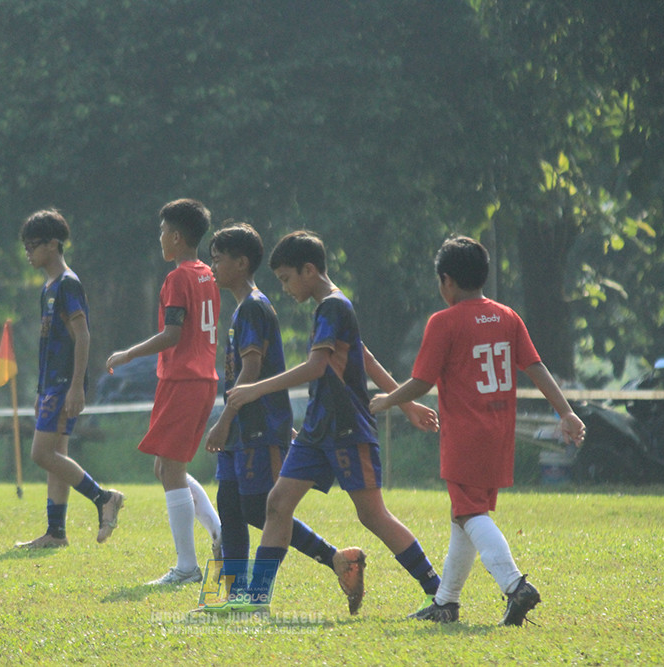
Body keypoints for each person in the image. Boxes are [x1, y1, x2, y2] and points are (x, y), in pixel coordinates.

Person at [370, 235, 587, 626]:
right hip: (499, 432)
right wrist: (566, 412)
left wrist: (388, 400)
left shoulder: (444, 322)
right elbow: (535, 366)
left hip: (465, 436)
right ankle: (446, 603)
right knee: (466, 516)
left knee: (469, 513)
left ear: (447, 280)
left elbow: (421, 382)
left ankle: (515, 585)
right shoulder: (507, 316)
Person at [227, 230, 442, 614]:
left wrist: (256, 389)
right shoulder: (329, 308)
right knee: (277, 503)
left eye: (287, 279)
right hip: (316, 429)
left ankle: (438, 593)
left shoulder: (333, 307)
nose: (285, 288)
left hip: (346, 428)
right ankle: (257, 600)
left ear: (309, 270)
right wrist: (407, 404)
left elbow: (316, 366)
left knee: (372, 515)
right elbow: (366, 357)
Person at [206, 222, 382, 612]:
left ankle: (334, 559)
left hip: (256, 427)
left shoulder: (254, 306)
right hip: (241, 427)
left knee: (261, 508)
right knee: (230, 506)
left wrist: (224, 419)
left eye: (217, 259)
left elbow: (252, 370)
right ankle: (234, 595)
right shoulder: (242, 308)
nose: (212, 266)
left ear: (241, 262)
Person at [106, 198, 222, 585]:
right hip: (203, 379)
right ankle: (219, 533)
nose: (159, 238)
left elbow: (172, 334)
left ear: (175, 236)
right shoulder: (208, 274)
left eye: (162, 231)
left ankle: (187, 567)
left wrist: (129, 354)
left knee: (171, 470)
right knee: (166, 468)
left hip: (183, 380)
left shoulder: (178, 278)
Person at [16, 209, 124, 549]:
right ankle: (56, 533)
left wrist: (77, 385)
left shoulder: (67, 284)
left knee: (41, 454)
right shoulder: (47, 288)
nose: (28, 252)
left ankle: (104, 497)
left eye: (33, 245)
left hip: (65, 383)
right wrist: (40, 390)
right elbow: (48, 345)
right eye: (26, 246)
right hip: (51, 384)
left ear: (53, 244)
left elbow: (83, 335)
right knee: (56, 455)